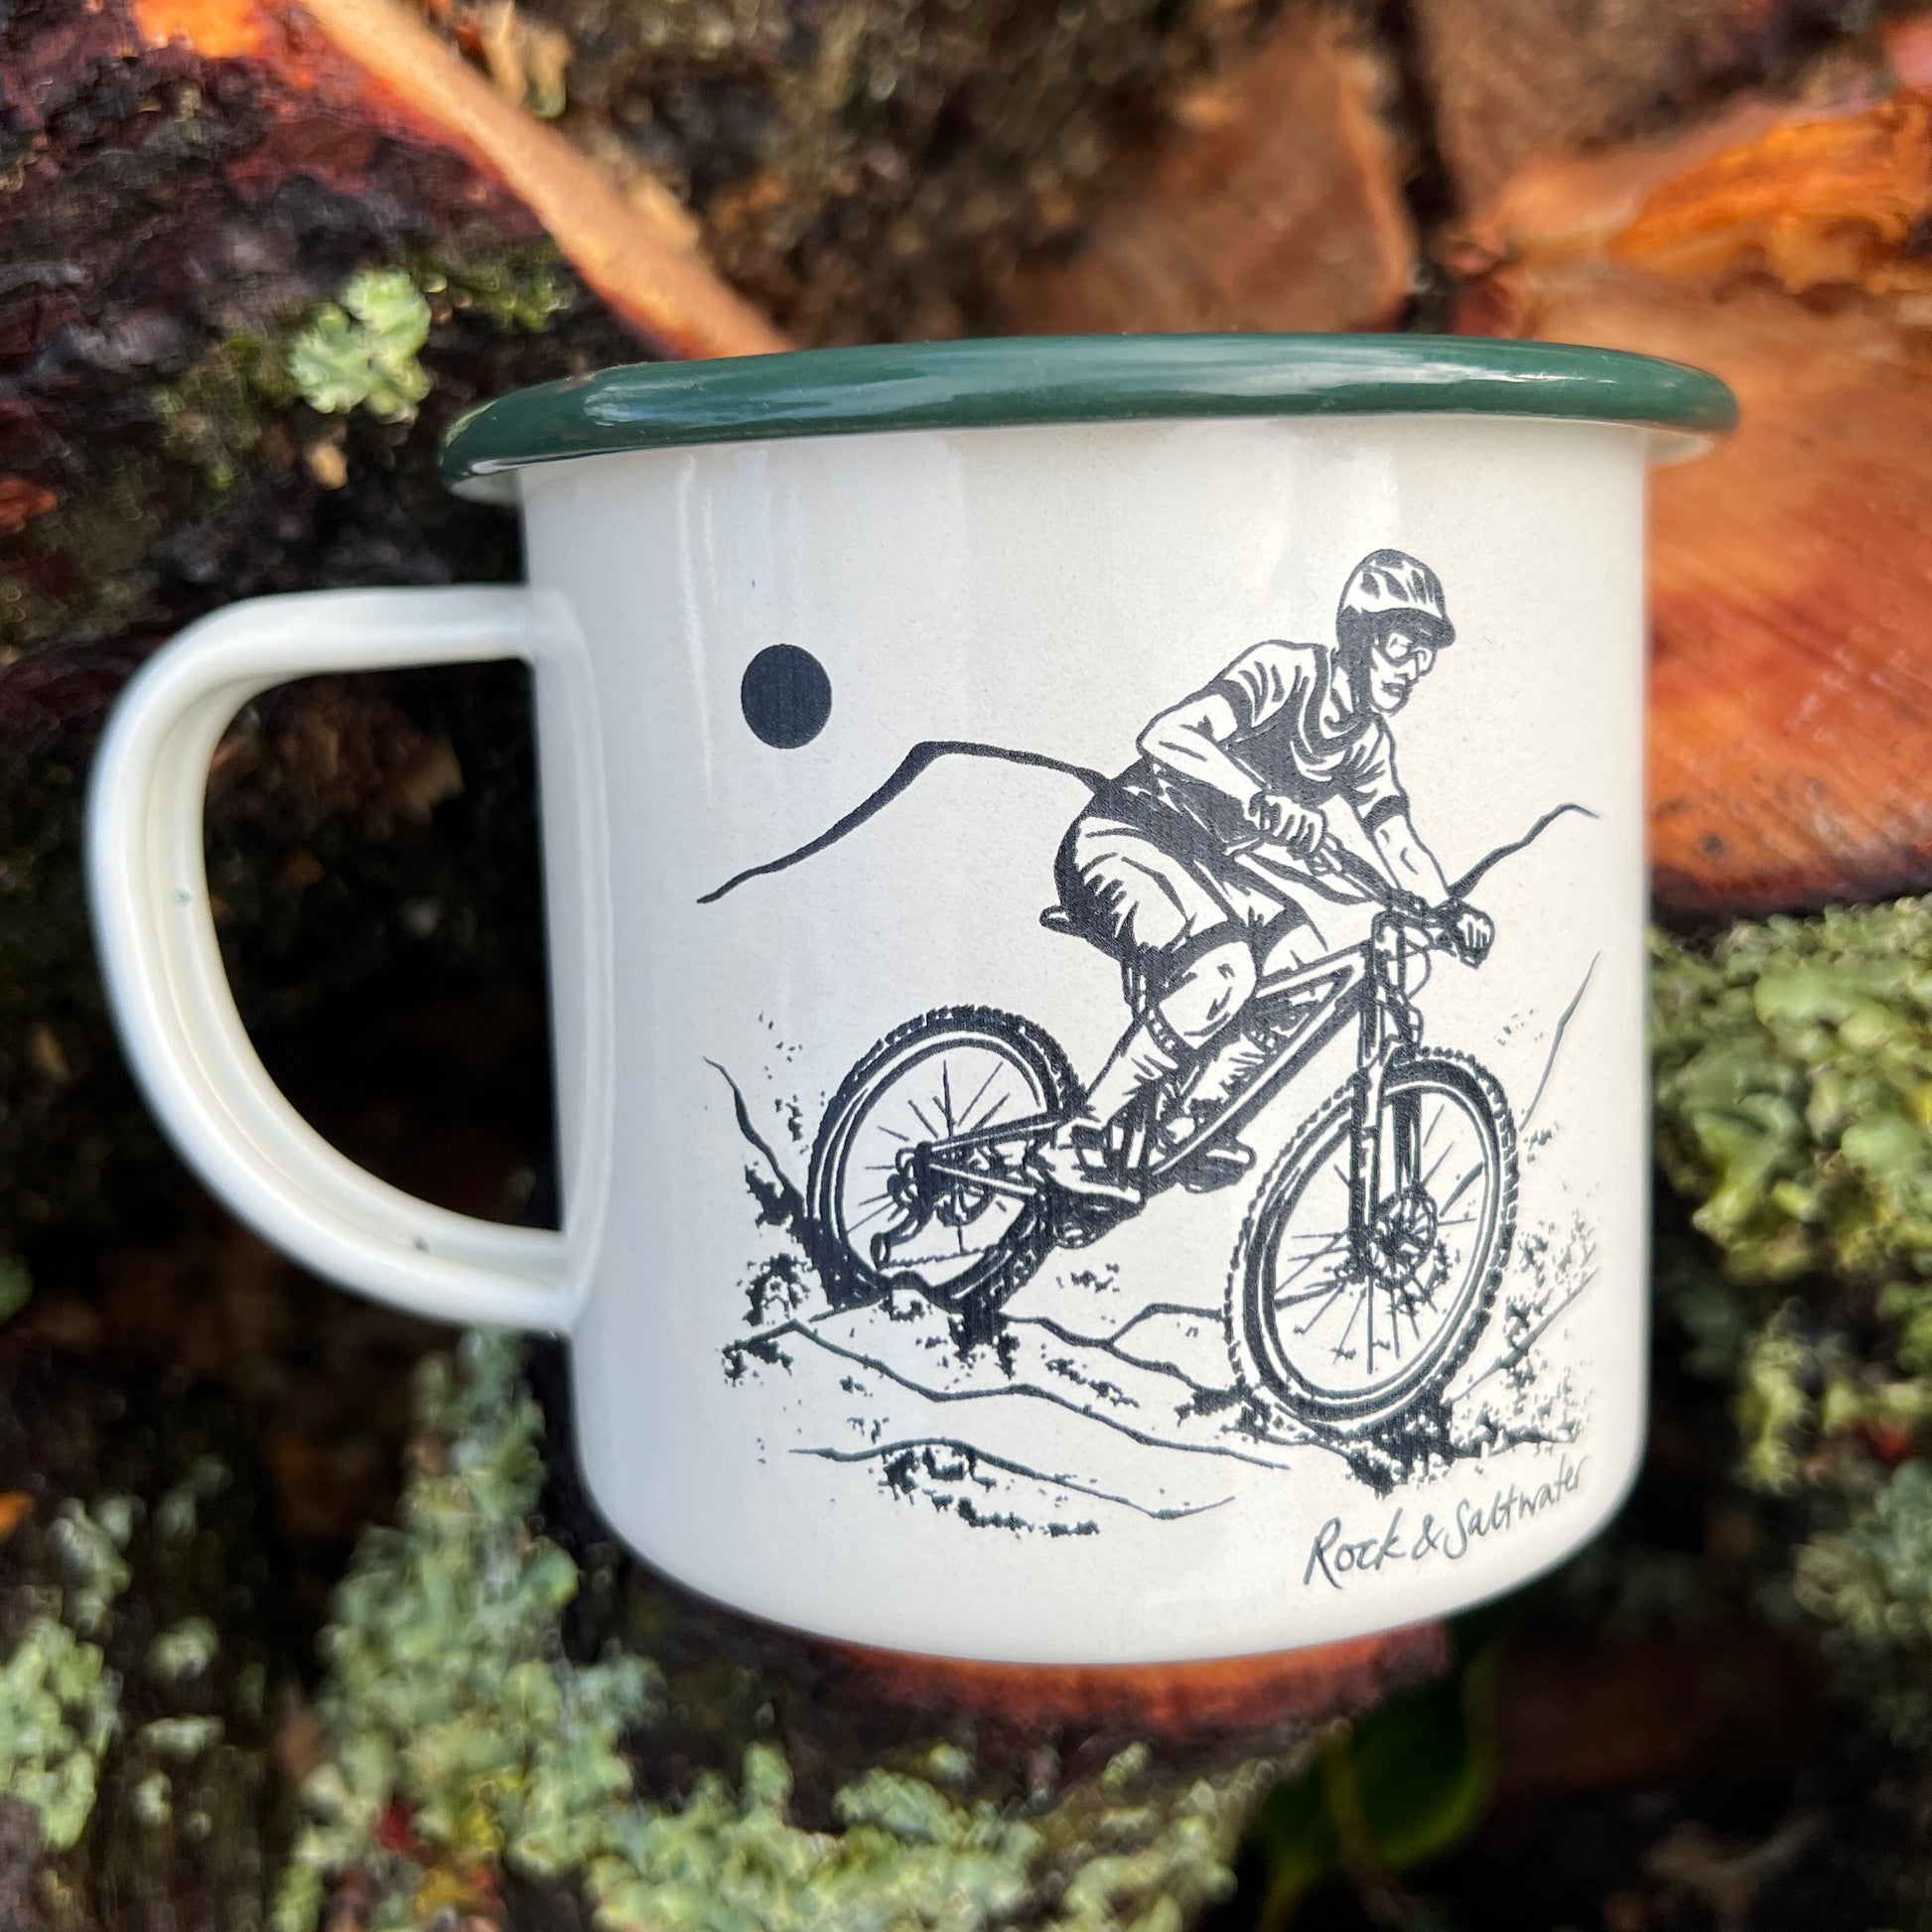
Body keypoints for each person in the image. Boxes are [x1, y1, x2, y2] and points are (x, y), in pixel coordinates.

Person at [1031, 549, 1493, 1204]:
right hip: (1126, 836)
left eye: (1425, 655)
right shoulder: (1286, 672)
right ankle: (1076, 1134)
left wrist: (1447, 910)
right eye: (1401, 646)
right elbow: (1167, 735)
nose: (1413, 668)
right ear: (1359, 635)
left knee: (1305, 975)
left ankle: (1187, 1123)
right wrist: (1256, 797)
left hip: (1210, 871)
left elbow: (1397, 839)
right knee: (1224, 971)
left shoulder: (1367, 745)